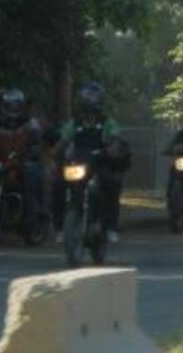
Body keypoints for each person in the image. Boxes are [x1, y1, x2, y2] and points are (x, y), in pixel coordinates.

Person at [53, 82, 128, 244]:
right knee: (58, 185)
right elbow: (63, 141)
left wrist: (113, 149)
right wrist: (54, 153)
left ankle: (110, 227)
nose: (89, 105)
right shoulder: (74, 123)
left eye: (92, 100)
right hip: (78, 165)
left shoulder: (107, 122)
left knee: (112, 184)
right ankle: (59, 228)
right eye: (86, 100)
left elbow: (116, 138)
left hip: (99, 165)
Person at [0, 89, 47, 230]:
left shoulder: (29, 122)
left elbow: (36, 135)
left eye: (15, 105)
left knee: (29, 176)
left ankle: (30, 217)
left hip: (22, 160)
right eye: (9, 105)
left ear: (21, 106)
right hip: (3, 162)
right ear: (4, 106)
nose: (12, 109)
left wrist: (33, 146)